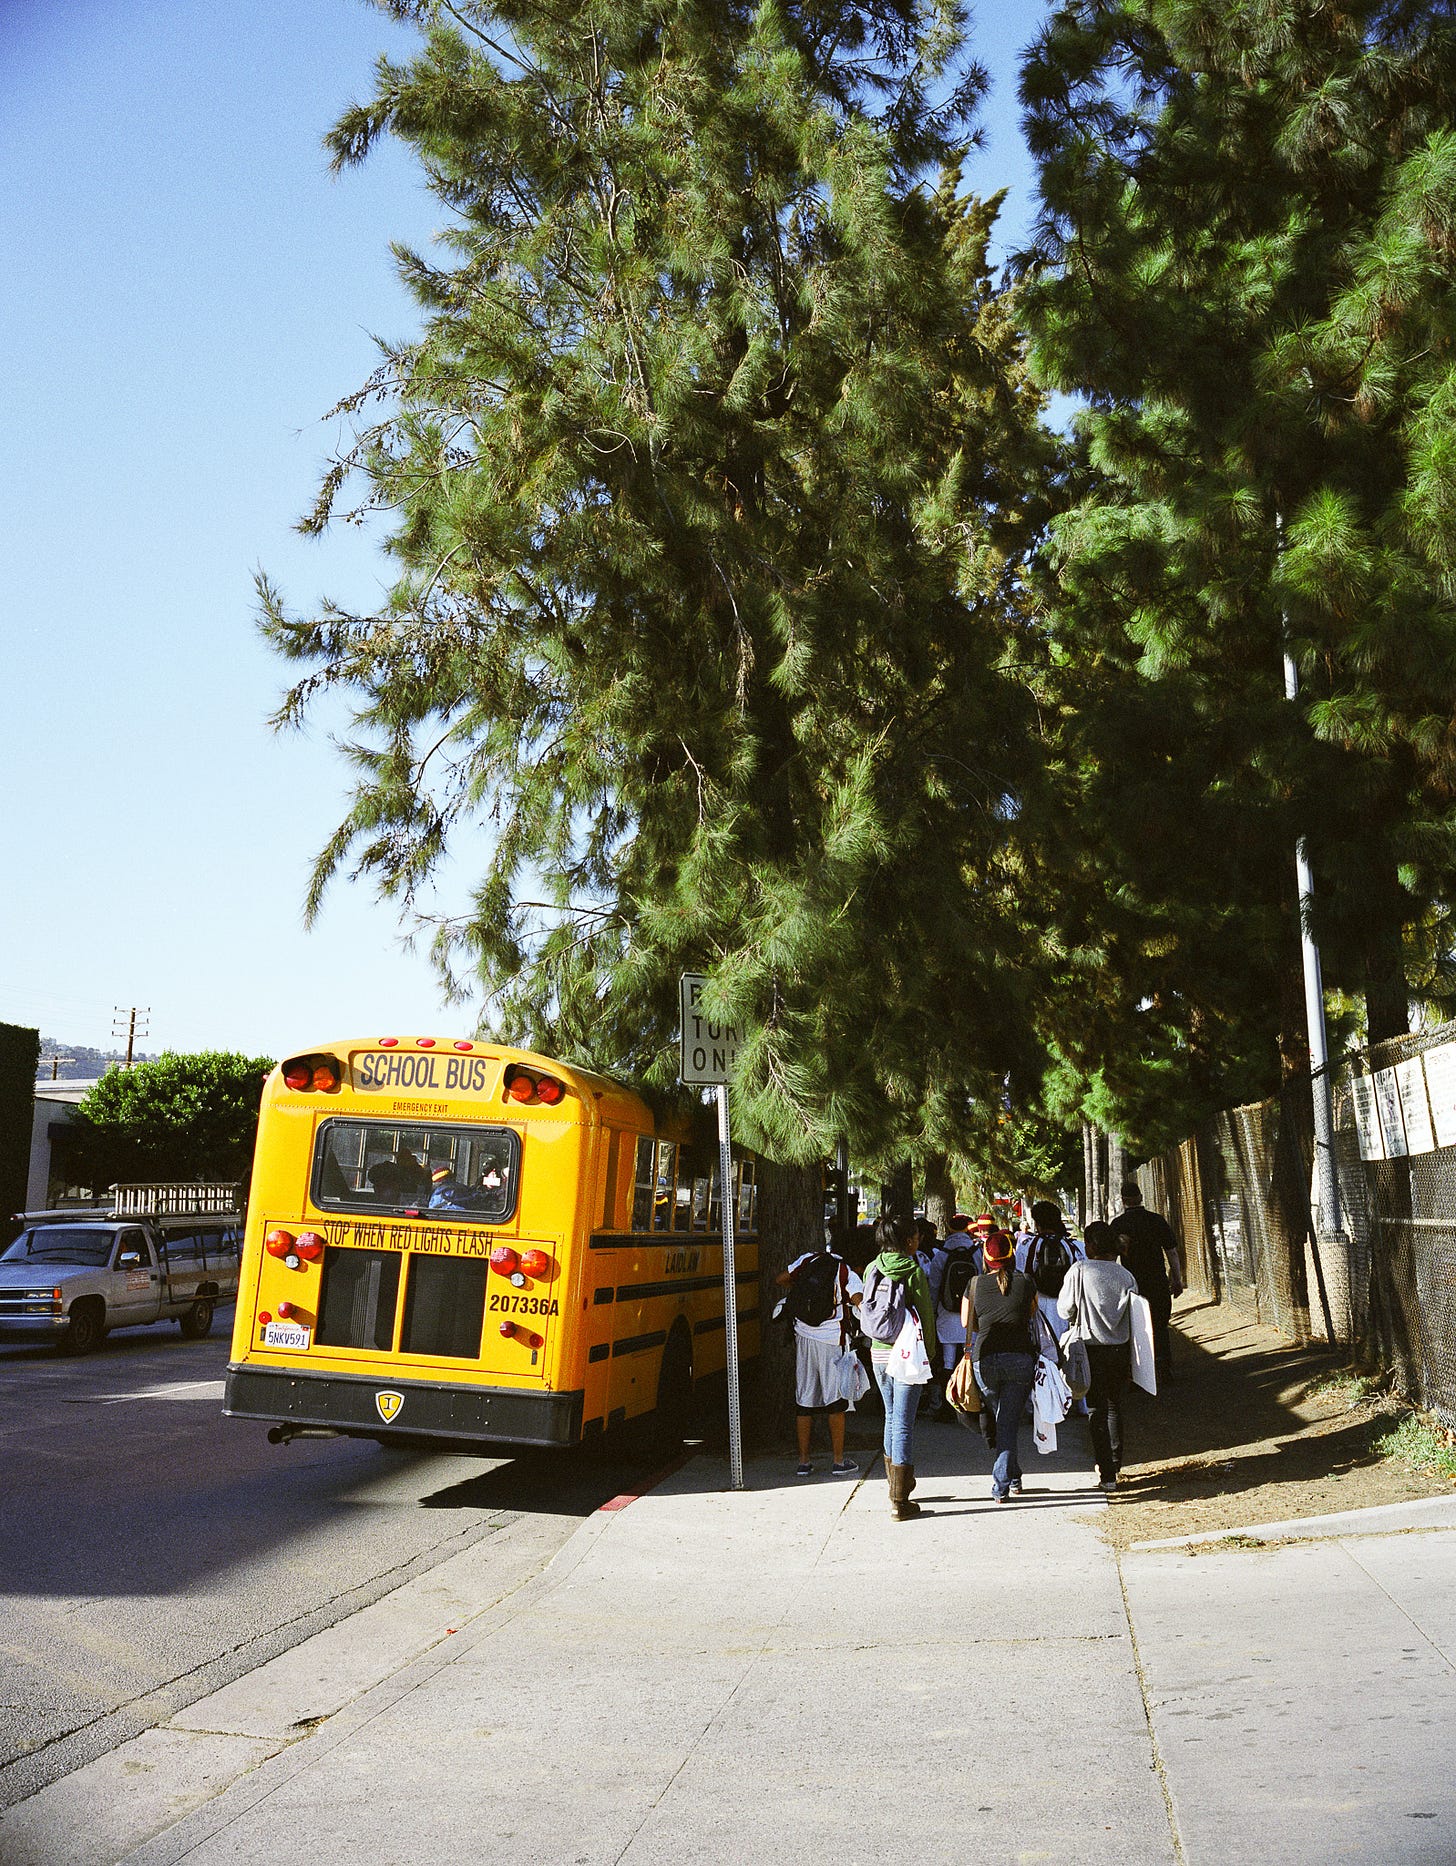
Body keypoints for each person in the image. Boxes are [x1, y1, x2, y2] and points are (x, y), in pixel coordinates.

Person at [864, 1214, 937, 1519]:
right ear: (908, 1241)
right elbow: (926, 1316)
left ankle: (894, 1485)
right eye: (917, 1236)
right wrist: (930, 1354)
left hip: (878, 1352)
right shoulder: (913, 1270)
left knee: (891, 1416)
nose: (919, 1240)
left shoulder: (872, 1267)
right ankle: (900, 1499)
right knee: (904, 1423)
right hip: (906, 1354)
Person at [1058, 1220, 1139, 1492]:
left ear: (1090, 1245)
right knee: (1115, 1406)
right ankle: (1115, 1465)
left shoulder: (1079, 1270)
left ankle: (1106, 1474)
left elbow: (1064, 1309)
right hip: (1119, 1349)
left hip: (1089, 1349)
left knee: (1096, 1409)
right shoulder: (1125, 1275)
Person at [775, 1242, 863, 1478]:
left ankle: (804, 1462)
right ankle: (838, 1460)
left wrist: (804, 1292)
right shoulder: (845, 1271)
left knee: (804, 1400)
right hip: (833, 1339)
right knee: (836, 1400)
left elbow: (781, 1278)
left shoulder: (808, 1260)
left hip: (803, 1336)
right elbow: (857, 1299)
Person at [965, 1228, 1038, 1501]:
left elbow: (965, 1322)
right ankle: (1006, 1480)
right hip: (1019, 1358)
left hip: (984, 1359)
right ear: (1011, 1256)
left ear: (986, 1257)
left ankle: (1008, 1478)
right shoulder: (1026, 1282)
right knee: (1007, 1421)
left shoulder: (974, 1284)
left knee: (1003, 1420)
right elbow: (1031, 1313)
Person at [1110, 1180, 1184, 1384]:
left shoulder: (1118, 1225)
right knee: (1160, 1325)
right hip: (1157, 1281)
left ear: (1123, 1201)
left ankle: (1139, 1374)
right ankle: (1163, 1367)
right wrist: (1176, 1279)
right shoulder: (1156, 1220)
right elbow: (1172, 1252)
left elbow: (1111, 1258)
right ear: (1141, 1197)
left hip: (1131, 1285)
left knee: (1136, 1328)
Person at [1017, 1199, 1084, 1347]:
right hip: (1066, 1307)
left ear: (1037, 1223)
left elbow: (1022, 1276)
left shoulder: (1027, 1246)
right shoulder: (1074, 1246)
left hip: (1038, 1307)